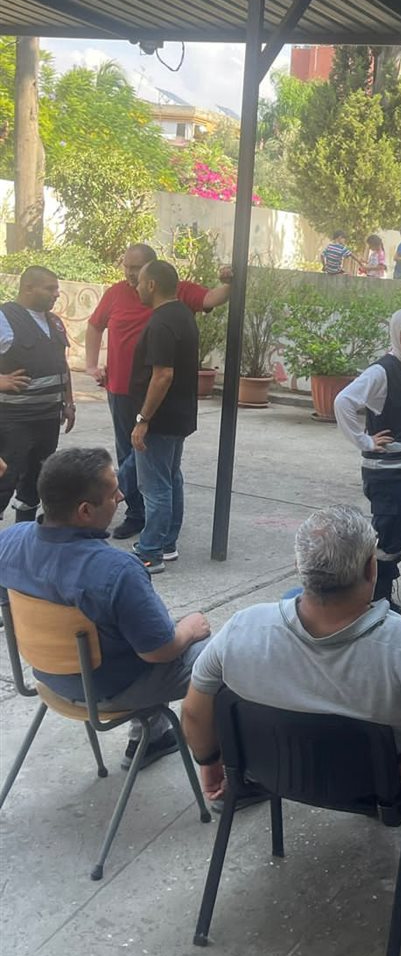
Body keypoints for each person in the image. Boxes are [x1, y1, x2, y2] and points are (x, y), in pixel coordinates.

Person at [181, 505, 401, 806]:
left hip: (275, 775)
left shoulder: (241, 628)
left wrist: (209, 760)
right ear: (371, 568)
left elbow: (193, 712)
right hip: (380, 789)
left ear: (299, 566)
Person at [0, 447, 211, 770]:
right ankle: (232, 769)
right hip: (110, 689)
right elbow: (160, 652)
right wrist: (189, 631)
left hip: (48, 676)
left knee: (128, 626)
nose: (122, 497)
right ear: (85, 511)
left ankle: (152, 737)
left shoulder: (10, 540)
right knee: (222, 655)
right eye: (114, 494)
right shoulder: (116, 570)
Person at [85, 243, 232, 540]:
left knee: (153, 464)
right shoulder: (115, 293)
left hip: (155, 396)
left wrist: (229, 281)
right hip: (120, 390)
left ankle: (154, 533)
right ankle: (139, 515)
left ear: (151, 276)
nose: (130, 275)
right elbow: (95, 325)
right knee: (130, 454)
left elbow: (212, 298)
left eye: (136, 270)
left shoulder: (174, 293)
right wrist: (91, 365)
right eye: (127, 267)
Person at [334, 310, 401, 615]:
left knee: (399, 538)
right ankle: (375, 603)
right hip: (387, 476)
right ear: (397, 334)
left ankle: (383, 600)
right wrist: (365, 441)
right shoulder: (382, 371)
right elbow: (343, 402)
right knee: (386, 538)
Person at [128, 260, 200, 574]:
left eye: (140, 282)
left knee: (155, 486)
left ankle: (150, 553)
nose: (136, 287)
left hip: (159, 419)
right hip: (178, 416)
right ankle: (167, 544)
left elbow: (163, 375)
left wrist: (143, 419)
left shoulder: (161, 322)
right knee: (171, 479)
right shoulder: (183, 314)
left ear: (152, 285)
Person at [0, 266, 75, 524]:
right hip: (14, 421)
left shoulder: (54, 322)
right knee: (5, 479)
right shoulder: (4, 318)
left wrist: (69, 403)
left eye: (57, 289)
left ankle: (24, 536)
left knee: (36, 480)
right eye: (50, 288)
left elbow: (62, 365)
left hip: (48, 419)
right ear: (28, 288)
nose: (57, 294)